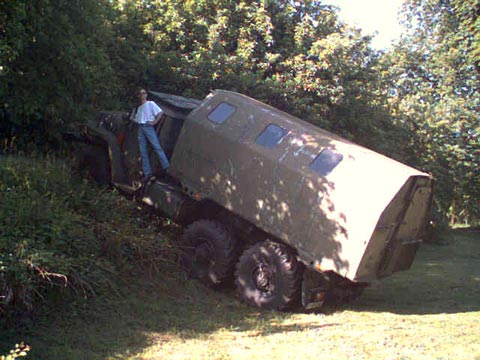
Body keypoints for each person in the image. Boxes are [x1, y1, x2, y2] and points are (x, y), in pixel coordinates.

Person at [131, 88, 170, 182]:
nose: (142, 95)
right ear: (138, 96)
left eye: (144, 93)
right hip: (141, 127)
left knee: (156, 146)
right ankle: (147, 173)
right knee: (143, 151)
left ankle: (167, 166)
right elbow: (136, 119)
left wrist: (154, 122)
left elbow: (160, 112)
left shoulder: (151, 104)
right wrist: (132, 116)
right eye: (140, 94)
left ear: (146, 95)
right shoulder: (139, 108)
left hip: (148, 127)